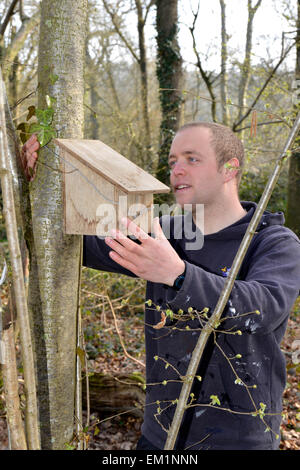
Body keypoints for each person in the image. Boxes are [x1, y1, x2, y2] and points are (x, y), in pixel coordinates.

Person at [21, 123, 300, 450]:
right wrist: (42, 180)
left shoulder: (274, 242)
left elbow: (261, 309)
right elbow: (76, 245)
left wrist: (178, 275)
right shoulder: (165, 232)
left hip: (238, 439)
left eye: (191, 159)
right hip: (160, 437)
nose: (176, 170)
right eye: (172, 162)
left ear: (229, 169)